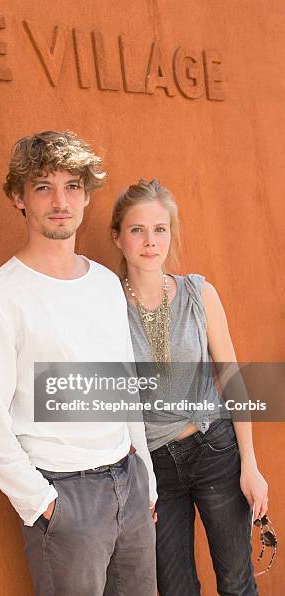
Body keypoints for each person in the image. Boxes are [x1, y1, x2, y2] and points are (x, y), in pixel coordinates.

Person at [0, 131, 157, 596]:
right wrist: (47, 505)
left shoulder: (106, 284)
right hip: (64, 495)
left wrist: (145, 480)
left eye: (72, 186)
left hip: (128, 484)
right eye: (43, 187)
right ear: (19, 198)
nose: (60, 201)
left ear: (87, 196)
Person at [111, 178, 268, 596]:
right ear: (118, 237)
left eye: (160, 229)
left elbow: (232, 378)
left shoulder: (199, 294)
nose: (150, 241)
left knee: (237, 581)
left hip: (215, 449)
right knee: (175, 587)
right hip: (155, 468)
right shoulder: (105, 307)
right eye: (137, 229)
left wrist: (250, 466)